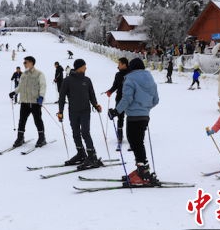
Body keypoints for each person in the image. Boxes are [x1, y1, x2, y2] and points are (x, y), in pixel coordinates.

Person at [108, 58, 159, 186]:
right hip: (145, 116)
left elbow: (127, 98)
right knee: (138, 143)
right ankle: (142, 169)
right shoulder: (151, 79)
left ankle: (143, 172)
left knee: (134, 142)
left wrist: (116, 111)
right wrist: (145, 108)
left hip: (133, 117)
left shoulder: (130, 79)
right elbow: (156, 100)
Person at [57, 59, 103, 169]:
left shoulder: (87, 80)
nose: (86, 68)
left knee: (85, 132)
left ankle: (92, 156)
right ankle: (81, 153)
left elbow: (92, 94)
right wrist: (60, 111)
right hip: (73, 111)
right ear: (79, 67)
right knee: (75, 133)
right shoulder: (67, 80)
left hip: (85, 111)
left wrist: (96, 105)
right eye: (84, 66)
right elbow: (62, 97)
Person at [9, 56, 46, 148]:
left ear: (31, 63)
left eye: (25, 62)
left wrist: (41, 97)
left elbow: (43, 86)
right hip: (24, 102)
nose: (24, 64)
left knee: (37, 120)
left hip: (35, 102)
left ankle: (42, 138)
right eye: (24, 62)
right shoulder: (24, 74)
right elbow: (20, 86)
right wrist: (14, 92)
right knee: (22, 121)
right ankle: (20, 137)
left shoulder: (39, 74)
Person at [105, 58, 130, 151]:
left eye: (119, 63)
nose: (118, 65)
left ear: (124, 64)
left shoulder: (131, 73)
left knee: (131, 117)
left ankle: (131, 135)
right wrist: (110, 91)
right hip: (119, 99)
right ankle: (120, 136)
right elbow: (115, 85)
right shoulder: (118, 74)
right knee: (120, 117)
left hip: (129, 99)